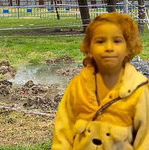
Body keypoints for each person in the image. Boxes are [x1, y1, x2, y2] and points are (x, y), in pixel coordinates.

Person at [52, 12, 149, 150]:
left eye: (117, 41)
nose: (109, 48)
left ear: (128, 48)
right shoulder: (77, 86)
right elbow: (62, 136)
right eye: (100, 41)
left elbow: (145, 140)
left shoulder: (139, 90)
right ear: (90, 48)